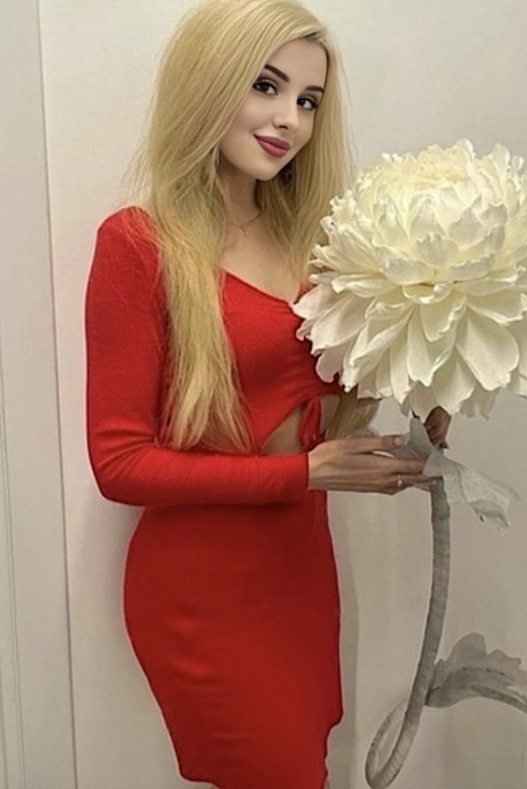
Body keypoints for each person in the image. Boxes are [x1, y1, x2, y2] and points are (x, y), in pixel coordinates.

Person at [85, 0, 450, 786]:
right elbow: (118, 464)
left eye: (309, 100)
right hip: (203, 589)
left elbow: (332, 396)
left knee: (307, 762)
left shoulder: (312, 246)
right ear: (209, 81)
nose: (290, 119)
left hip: (299, 568)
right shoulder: (138, 245)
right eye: (266, 86)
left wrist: (436, 392)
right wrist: (306, 472)